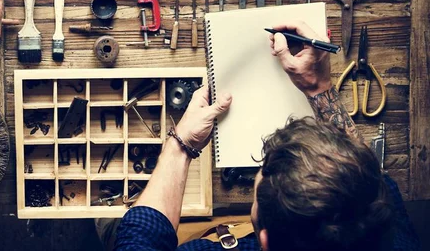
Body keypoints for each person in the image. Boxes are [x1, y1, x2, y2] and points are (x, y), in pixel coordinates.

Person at [112, 21, 420, 251]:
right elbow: (371, 178)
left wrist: (182, 145)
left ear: (264, 241)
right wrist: (318, 88)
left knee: (108, 224)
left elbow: (139, 237)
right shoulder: (390, 235)